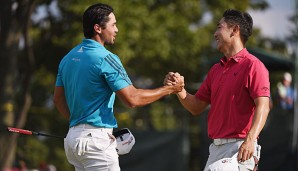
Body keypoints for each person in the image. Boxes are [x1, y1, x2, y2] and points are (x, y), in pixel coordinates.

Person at [53, 3, 183, 171]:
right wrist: (170, 89)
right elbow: (132, 99)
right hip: (96, 144)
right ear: (98, 28)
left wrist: (78, 127)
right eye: (113, 24)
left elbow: (57, 99)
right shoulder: (106, 58)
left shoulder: (67, 58)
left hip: (72, 140)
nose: (117, 29)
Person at [164, 9, 270, 171]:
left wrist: (250, 140)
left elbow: (264, 105)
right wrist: (179, 89)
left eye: (219, 27)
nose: (215, 33)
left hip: (240, 148)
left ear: (235, 30)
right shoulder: (216, 69)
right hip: (215, 150)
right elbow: (196, 106)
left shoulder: (254, 65)